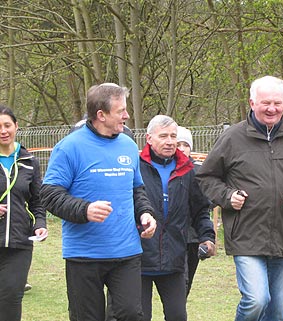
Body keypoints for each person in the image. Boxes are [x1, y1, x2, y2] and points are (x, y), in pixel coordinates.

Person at [196, 75, 283, 321]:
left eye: (277, 103)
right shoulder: (232, 138)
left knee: (277, 311)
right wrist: (227, 196)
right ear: (252, 103)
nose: (271, 108)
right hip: (246, 235)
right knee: (256, 300)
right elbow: (206, 178)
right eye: (266, 102)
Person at [40, 83, 157, 321]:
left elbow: (137, 189)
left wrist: (145, 213)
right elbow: (49, 195)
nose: (126, 115)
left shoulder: (128, 144)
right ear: (101, 115)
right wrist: (84, 209)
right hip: (84, 254)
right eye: (121, 111)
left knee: (131, 314)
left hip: (126, 252)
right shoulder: (70, 147)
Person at [139, 115, 215, 320]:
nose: (170, 141)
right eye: (163, 136)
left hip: (175, 258)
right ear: (149, 138)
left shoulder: (188, 170)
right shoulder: (135, 168)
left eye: (173, 136)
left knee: (178, 316)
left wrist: (207, 237)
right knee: (137, 316)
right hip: (139, 257)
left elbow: (200, 209)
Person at [0, 105, 48, 321]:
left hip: (19, 244)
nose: (3, 131)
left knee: (11, 297)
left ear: (16, 126)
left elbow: (38, 201)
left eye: (7, 125)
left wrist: (40, 224)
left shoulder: (29, 161)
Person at [176, 125, 209, 296]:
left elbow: (206, 204)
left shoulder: (199, 171)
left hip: (193, 236)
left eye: (185, 145)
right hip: (172, 237)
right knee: (179, 282)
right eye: (178, 144)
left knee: (186, 286)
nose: (182, 149)